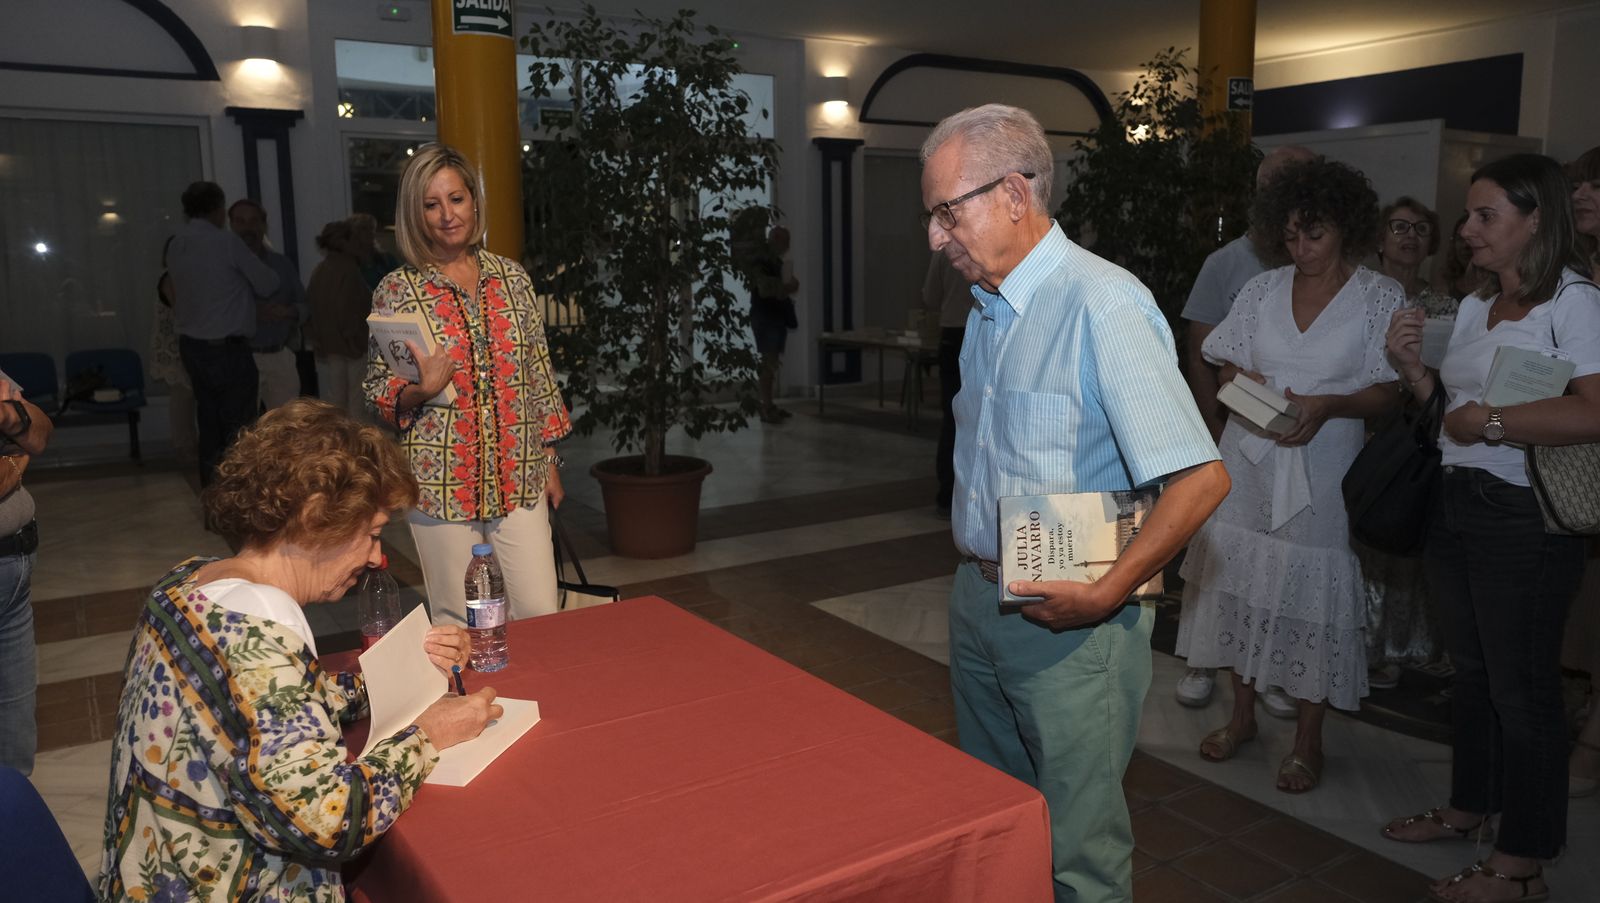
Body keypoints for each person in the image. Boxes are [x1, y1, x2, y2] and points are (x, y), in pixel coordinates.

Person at [923, 104, 1230, 903]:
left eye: (946, 210)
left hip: (1073, 623)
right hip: (979, 598)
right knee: (997, 823)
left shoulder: (1104, 302)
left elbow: (1201, 478)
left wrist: (1106, 590)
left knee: (1078, 853)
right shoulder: (988, 309)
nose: (936, 235)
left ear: (1015, 195)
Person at [97, 399, 498, 901]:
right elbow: (331, 824)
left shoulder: (187, 584)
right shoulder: (263, 632)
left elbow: (261, 707)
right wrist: (428, 735)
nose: (377, 557)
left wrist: (404, 672)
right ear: (314, 518)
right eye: (372, 534)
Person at [1384, 153, 1600, 903]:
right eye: (1470, 216)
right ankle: (1468, 807)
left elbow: (1595, 408)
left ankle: (1522, 863)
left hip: (1526, 517)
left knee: (1523, 689)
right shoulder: (1477, 302)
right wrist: (1414, 370)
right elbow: (1453, 408)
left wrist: (1499, 421)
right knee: (1472, 675)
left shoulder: (1574, 301)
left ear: (1535, 220)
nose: (1468, 230)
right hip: (1456, 499)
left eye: (1486, 217)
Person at [1178, 157, 1403, 794]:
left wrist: (1330, 404)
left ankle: (1309, 740)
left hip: (1328, 467)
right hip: (1250, 461)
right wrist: (1242, 386)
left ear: (1346, 229)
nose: (1301, 248)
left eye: (1316, 234)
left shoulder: (1378, 296)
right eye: (1293, 234)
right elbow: (1223, 365)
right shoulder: (1260, 291)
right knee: (1243, 581)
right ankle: (1242, 717)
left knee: (1314, 598)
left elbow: (1390, 395)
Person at [364, 143, 572, 626]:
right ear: (415, 213)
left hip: (519, 473)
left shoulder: (512, 279)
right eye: (431, 204)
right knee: (458, 618)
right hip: (440, 482)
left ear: (474, 202)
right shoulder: (398, 290)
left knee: (540, 610)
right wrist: (418, 389)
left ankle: (542, 699)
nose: (446, 215)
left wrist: (550, 462)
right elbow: (378, 388)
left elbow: (537, 374)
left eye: (455, 199)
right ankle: (463, 702)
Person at [1174, 144, 1316, 716]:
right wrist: (1210, 423)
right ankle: (1203, 661)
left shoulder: (1335, 262)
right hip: (1238, 430)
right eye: (1271, 182)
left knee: (1283, 555)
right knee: (1221, 548)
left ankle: (1271, 668)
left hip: (1302, 440)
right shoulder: (1230, 262)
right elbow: (1201, 349)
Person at [1362, 197, 1454, 691]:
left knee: (1400, 533)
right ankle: (1355, 642)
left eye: (1421, 228)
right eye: (1399, 226)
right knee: (1359, 538)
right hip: (1360, 425)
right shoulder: (1356, 295)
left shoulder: (1445, 306)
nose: (1410, 235)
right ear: (1379, 238)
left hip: (1417, 432)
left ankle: (1397, 645)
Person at [166, 180, 280, 486]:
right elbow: (268, 283)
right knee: (238, 427)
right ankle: (237, 499)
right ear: (218, 209)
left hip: (193, 348)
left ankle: (212, 496)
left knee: (209, 422)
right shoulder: (226, 242)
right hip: (228, 349)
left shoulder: (177, 243)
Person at [1563, 144, 1600, 802]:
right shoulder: (1577, 272)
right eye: (1582, 184)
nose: (1584, 193)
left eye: (1598, 184)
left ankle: (1590, 750)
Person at [0, 368, 52, 775]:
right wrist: (15, 454)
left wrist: (9, 418)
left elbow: (40, 433)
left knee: (17, 740)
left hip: (15, 569)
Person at [230, 198, 308, 410]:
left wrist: (288, 311)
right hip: (241, 357)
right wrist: (252, 313)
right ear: (231, 226)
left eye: (254, 221)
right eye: (241, 221)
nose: (248, 228)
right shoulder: (224, 268)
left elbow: (305, 306)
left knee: (287, 426)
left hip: (279, 356)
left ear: (263, 226)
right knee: (241, 424)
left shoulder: (281, 264)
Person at [921, 252, 972, 516]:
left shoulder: (943, 252)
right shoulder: (984, 243)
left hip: (952, 332)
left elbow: (930, 296)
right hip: (979, 327)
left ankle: (946, 494)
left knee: (952, 416)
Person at [306, 219, 372, 421]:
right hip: (352, 347)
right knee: (356, 403)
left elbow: (312, 308)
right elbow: (347, 308)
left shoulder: (320, 270)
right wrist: (354, 341)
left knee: (337, 403)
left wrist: (318, 340)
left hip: (330, 346)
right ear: (345, 242)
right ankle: (355, 449)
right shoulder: (348, 269)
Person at [148, 236, 197, 465]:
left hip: (184, 347)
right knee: (182, 401)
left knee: (186, 401)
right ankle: (184, 447)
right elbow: (181, 311)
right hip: (175, 350)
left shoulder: (180, 277)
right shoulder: (170, 278)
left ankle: (189, 445)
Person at [750, 225, 799, 424]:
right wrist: (786, 287)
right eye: (785, 242)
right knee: (768, 363)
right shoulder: (761, 261)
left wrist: (789, 284)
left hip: (775, 316)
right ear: (776, 240)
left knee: (771, 362)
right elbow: (764, 288)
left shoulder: (775, 261)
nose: (787, 247)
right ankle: (766, 406)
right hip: (766, 316)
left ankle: (769, 404)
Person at [349, 211, 401, 292]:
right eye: (364, 228)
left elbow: (399, 285)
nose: (370, 232)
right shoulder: (349, 263)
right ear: (354, 233)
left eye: (372, 228)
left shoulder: (386, 259)